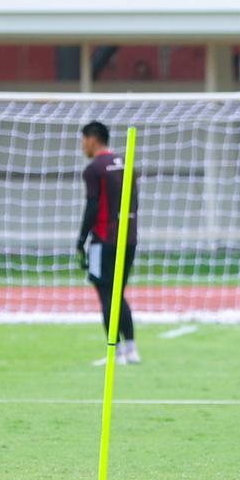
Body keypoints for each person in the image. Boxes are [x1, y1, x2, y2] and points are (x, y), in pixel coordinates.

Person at [76, 121, 140, 365]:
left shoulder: (94, 169)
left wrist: (81, 240)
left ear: (93, 139)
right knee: (119, 293)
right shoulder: (127, 164)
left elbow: (92, 206)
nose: (82, 145)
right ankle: (131, 349)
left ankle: (116, 350)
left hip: (103, 240)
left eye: (83, 140)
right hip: (129, 238)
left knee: (106, 295)